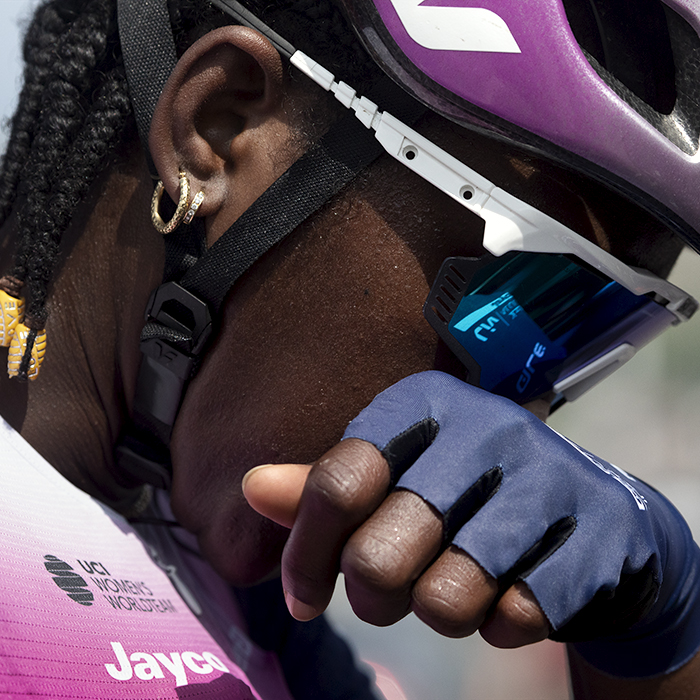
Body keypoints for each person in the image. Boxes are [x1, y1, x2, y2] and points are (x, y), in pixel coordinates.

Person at [0, 0, 699, 698]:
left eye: (603, 333)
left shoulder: (255, 625)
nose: (528, 415)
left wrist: (656, 632)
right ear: (217, 126)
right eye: (511, 308)